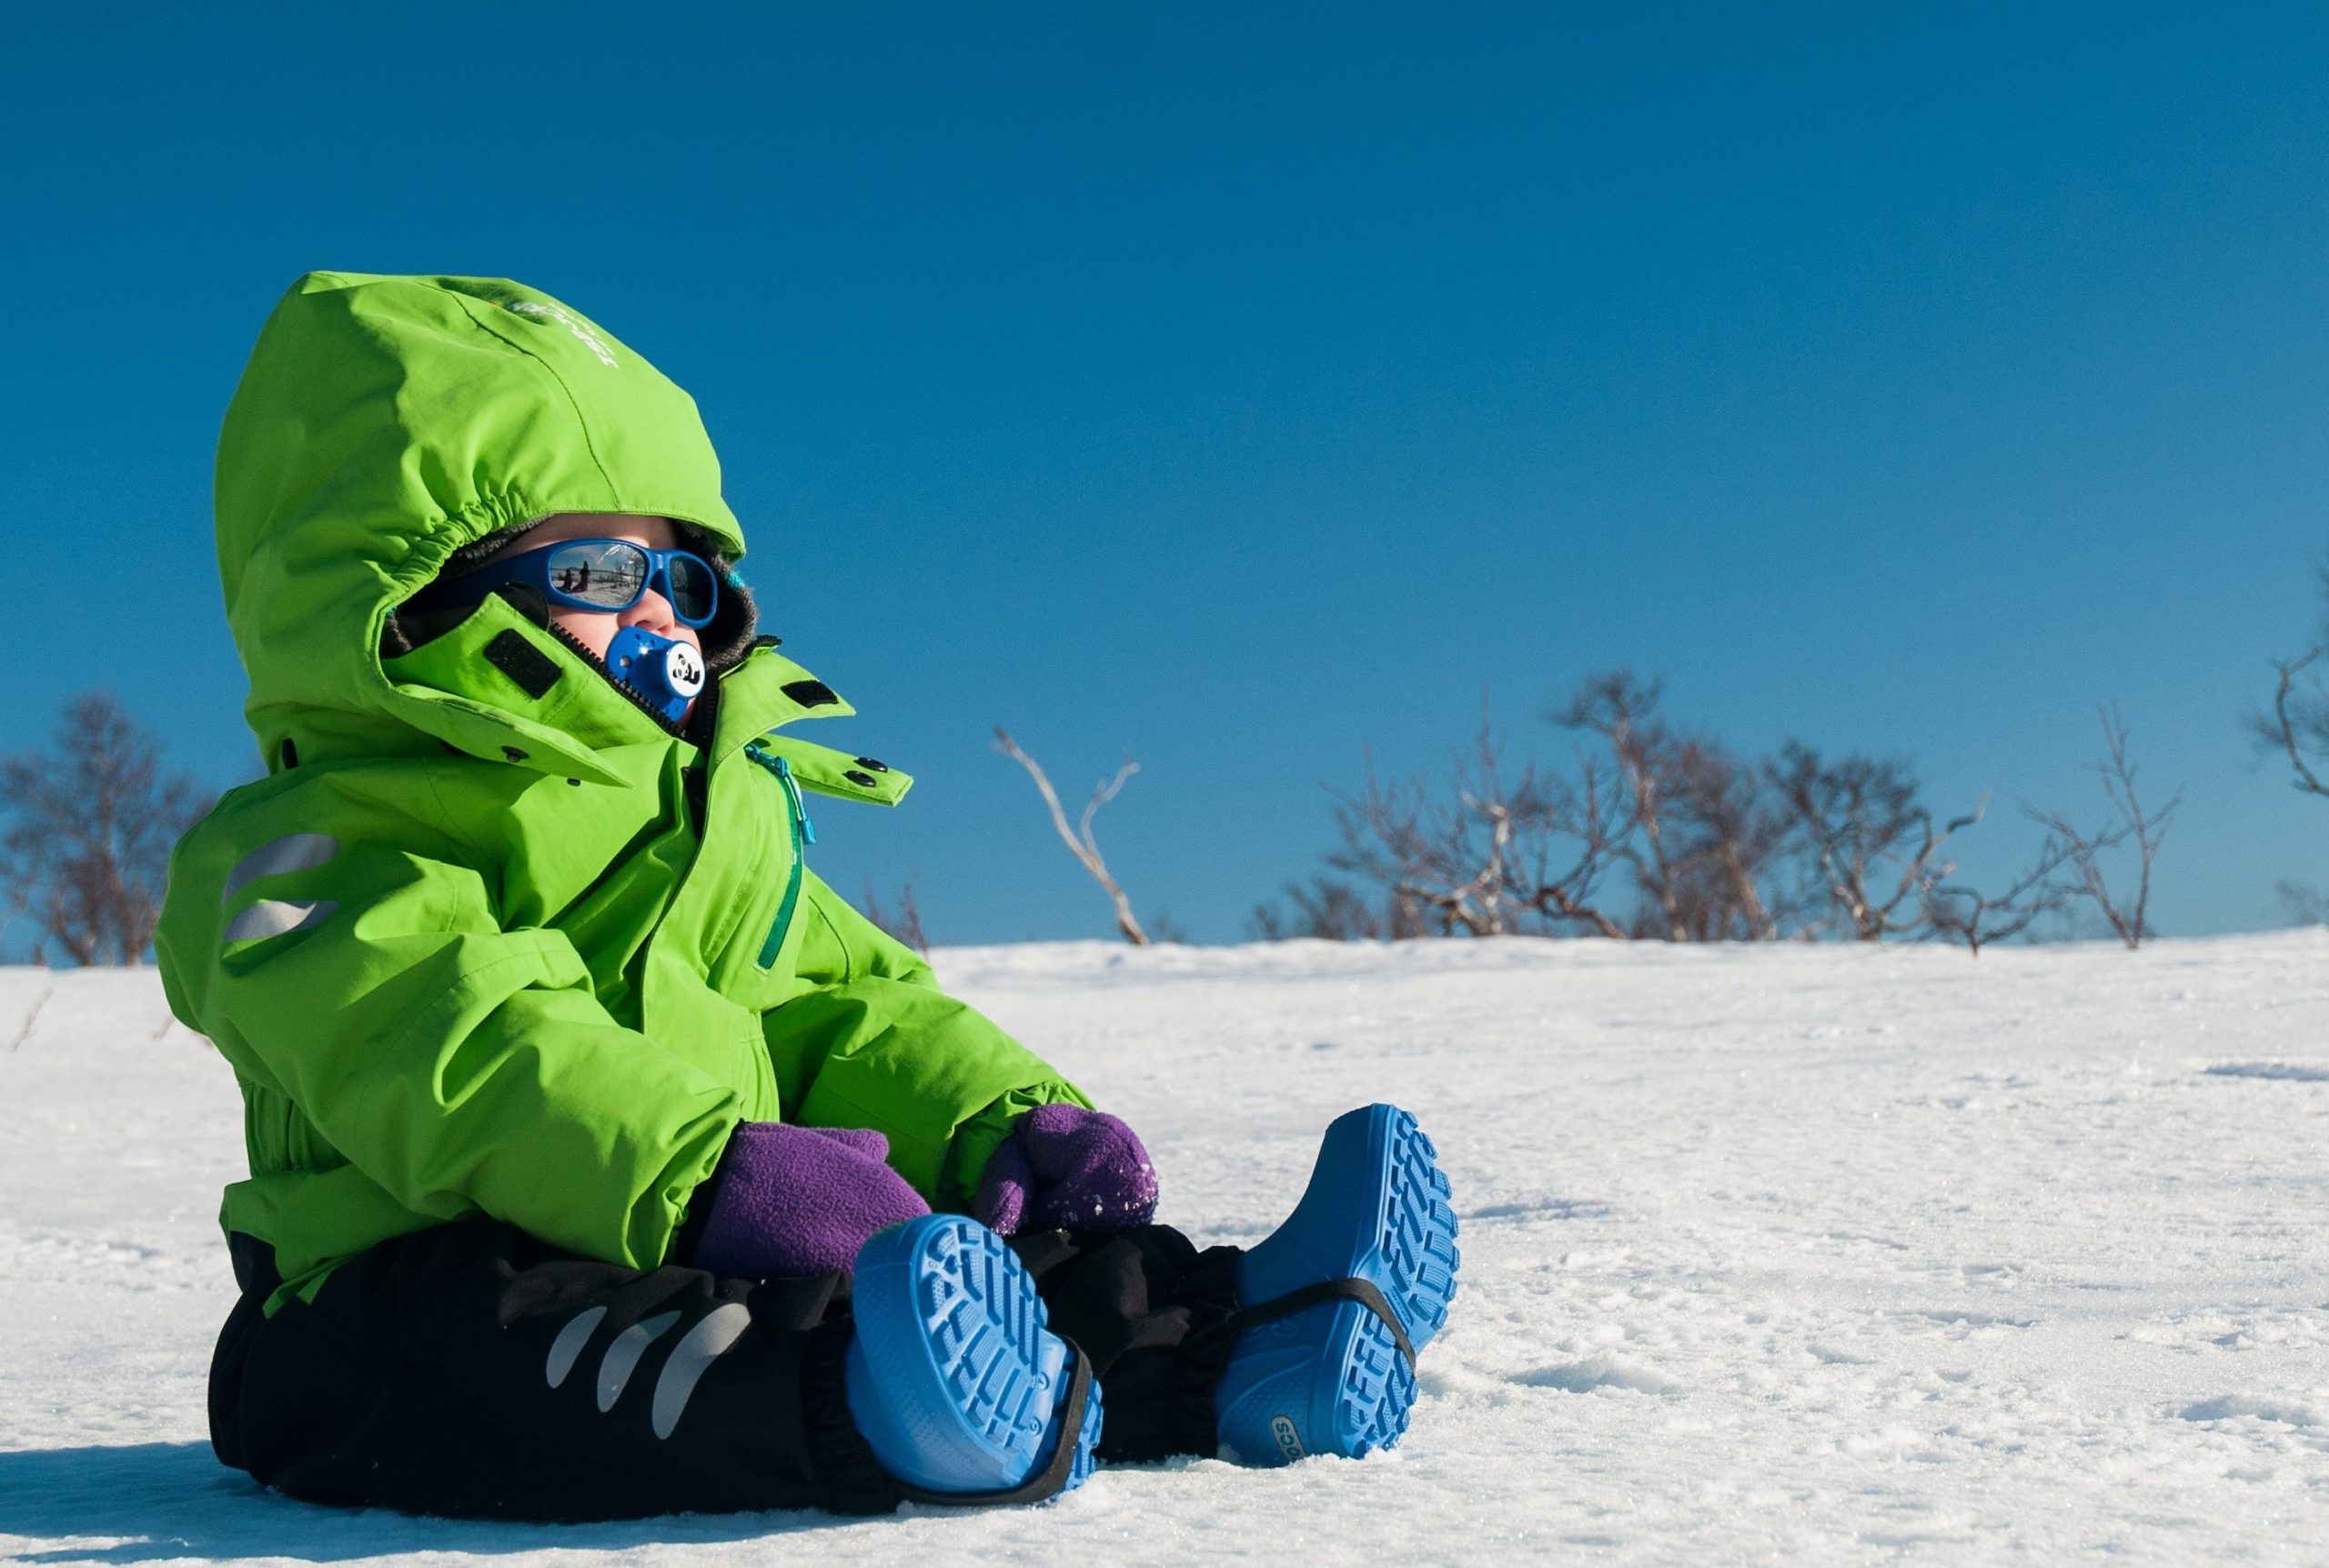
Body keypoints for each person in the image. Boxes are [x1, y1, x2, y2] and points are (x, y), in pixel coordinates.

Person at [157, 272, 1460, 1522]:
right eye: (599, 577)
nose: (662, 619)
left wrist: (998, 1125)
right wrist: (703, 1171)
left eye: (684, 580)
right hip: (370, 1302)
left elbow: (841, 1008)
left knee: (975, 1269)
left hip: (699, 1222)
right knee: (557, 1338)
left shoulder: (713, 823)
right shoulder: (309, 854)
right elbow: (455, 1039)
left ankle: (1245, 1345)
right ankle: (882, 1403)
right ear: (415, 592)